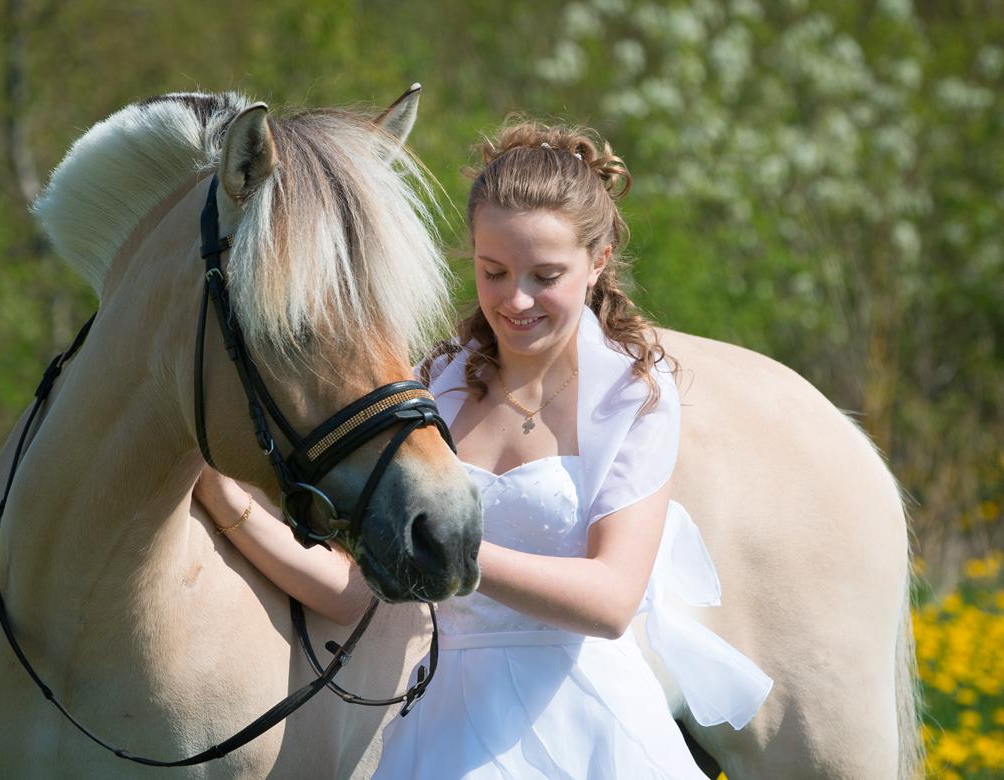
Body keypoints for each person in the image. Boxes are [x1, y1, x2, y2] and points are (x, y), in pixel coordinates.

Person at [195, 121, 773, 778]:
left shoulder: (631, 397)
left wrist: (452, 551)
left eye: (544, 274)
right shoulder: (432, 385)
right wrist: (225, 502)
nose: (515, 299)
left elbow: (613, 601)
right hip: (444, 730)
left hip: (588, 726)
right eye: (493, 271)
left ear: (599, 261)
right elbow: (358, 593)